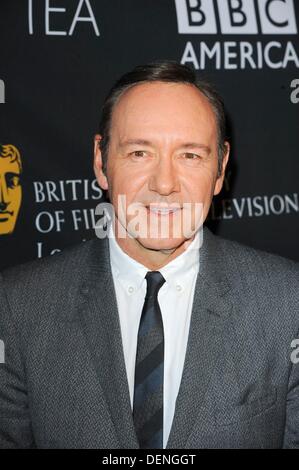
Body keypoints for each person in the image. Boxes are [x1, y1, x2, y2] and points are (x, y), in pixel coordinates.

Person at [0, 61, 298, 449]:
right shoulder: (18, 306)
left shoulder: (287, 303)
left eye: (190, 156)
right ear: (101, 161)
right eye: (140, 153)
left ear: (221, 169)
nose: (164, 184)